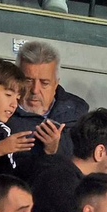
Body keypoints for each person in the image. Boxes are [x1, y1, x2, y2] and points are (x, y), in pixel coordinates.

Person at [8, 41, 89, 180]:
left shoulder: (76, 111)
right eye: (28, 81)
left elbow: (85, 159)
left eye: (44, 83)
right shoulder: (3, 113)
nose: (34, 90)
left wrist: (55, 149)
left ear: (56, 83)